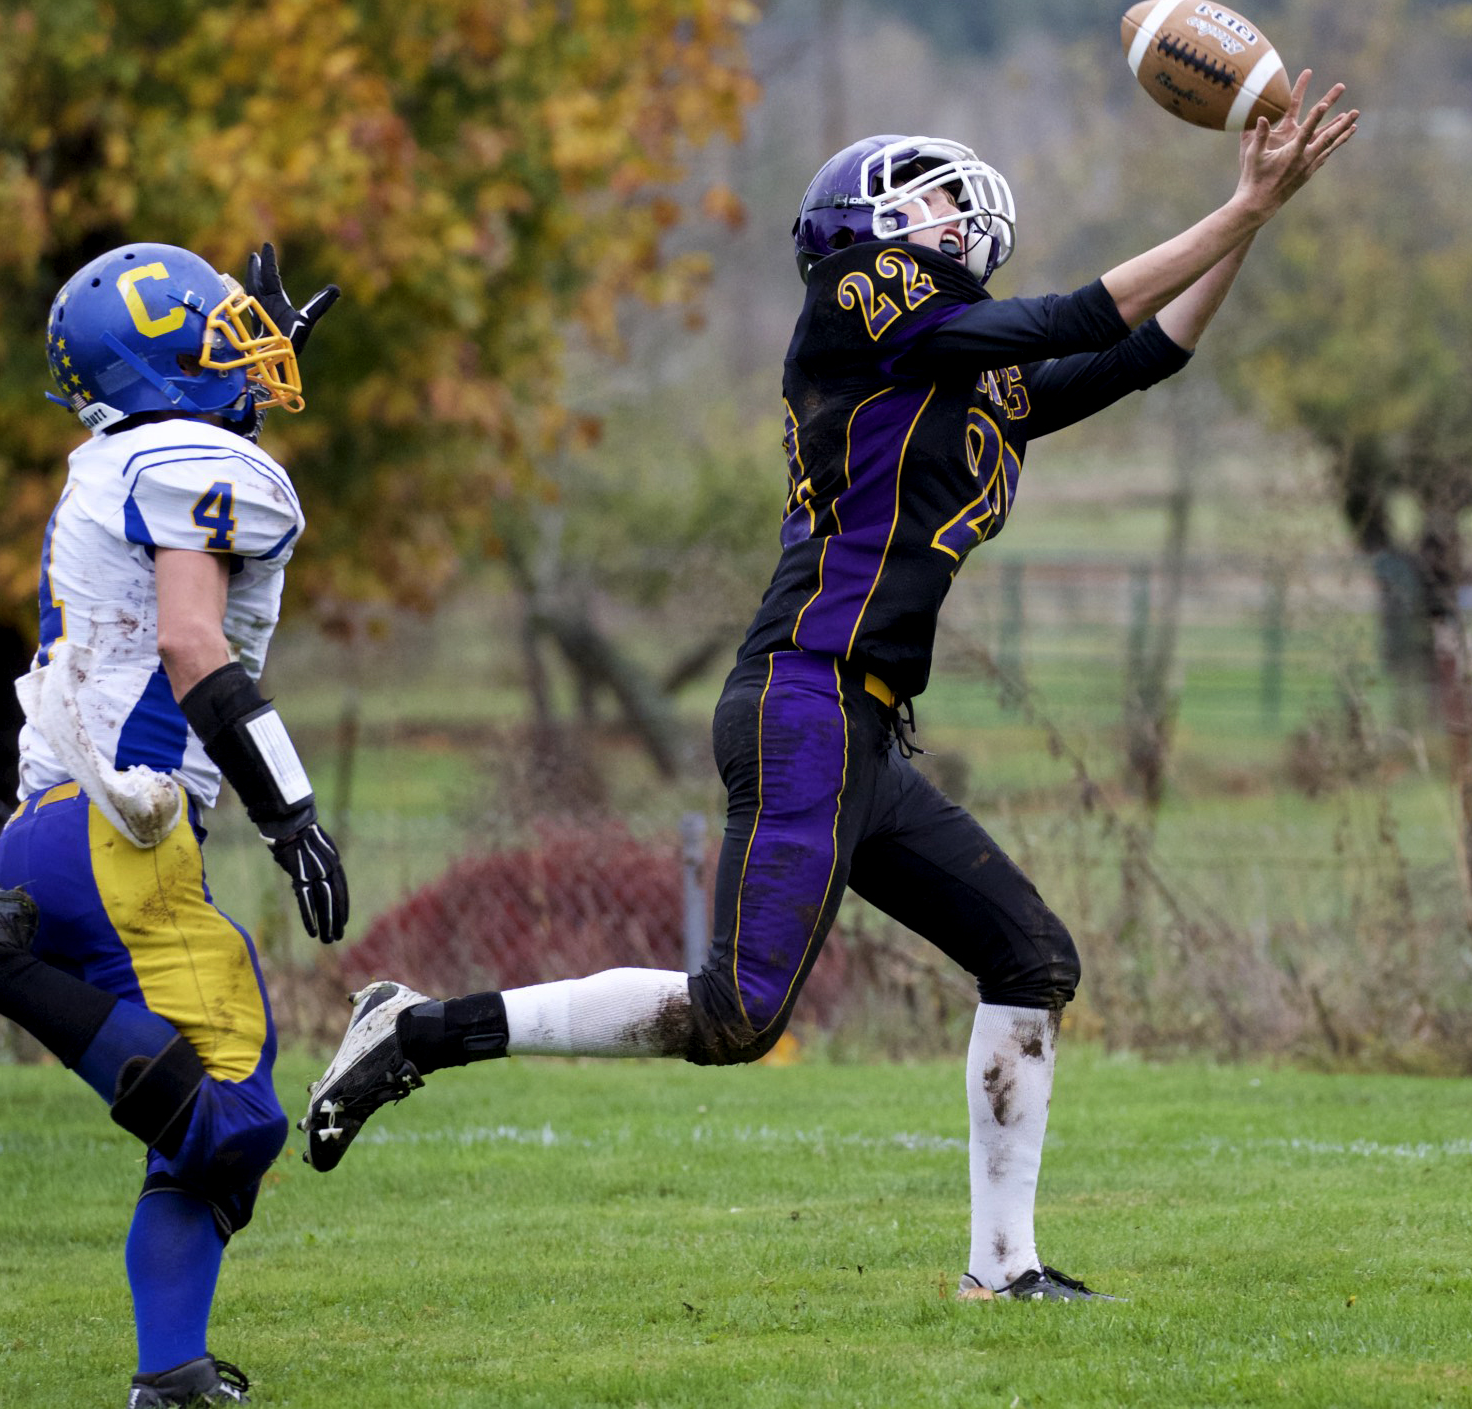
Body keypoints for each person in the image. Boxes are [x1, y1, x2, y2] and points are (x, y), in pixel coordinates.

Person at [300, 75, 1358, 1302]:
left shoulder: (956, 374)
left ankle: (1002, 1269)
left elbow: (1137, 355)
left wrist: (1253, 216)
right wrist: (1235, 208)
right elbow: (1072, 314)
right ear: (873, 233)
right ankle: (415, 1027)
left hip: (859, 727)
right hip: (804, 697)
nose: (964, 223)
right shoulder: (858, 318)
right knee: (738, 1012)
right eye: (939, 207)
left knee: (1029, 956)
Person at [0, 241, 349, 1405]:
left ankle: (170, 1373)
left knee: (205, 1129)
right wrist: (293, 813)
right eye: (222, 339)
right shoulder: (191, 457)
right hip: (128, 825)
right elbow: (191, 641)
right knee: (234, 1119)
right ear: (166, 366)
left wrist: (236, 404)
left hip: (55, 829)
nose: (253, 353)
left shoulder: (132, 453)